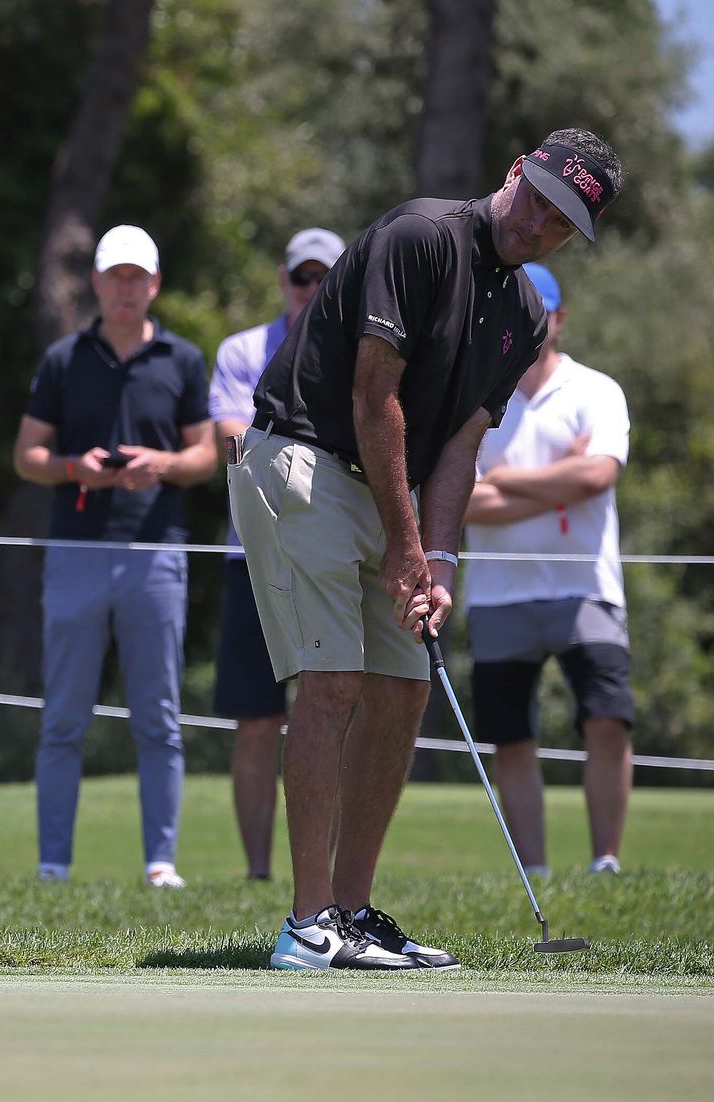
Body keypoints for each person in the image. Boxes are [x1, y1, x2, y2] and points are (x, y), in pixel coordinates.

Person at [226, 128, 623, 970]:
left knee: (404, 690)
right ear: (515, 171)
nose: (539, 227)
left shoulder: (521, 314)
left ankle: (353, 910)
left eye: (561, 226)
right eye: (539, 201)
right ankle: (304, 929)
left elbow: (462, 447)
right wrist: (409, 544)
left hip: (390, 488)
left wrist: (437, 563)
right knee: (331, 683)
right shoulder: (419, 236)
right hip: (302, 458)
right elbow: (377, 401)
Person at [12, 224, 215, 889]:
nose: (127, 287)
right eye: (115, 276)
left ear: (154, 284)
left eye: (138, 277)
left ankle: (161, 862)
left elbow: (205, 455)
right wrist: (78, 469)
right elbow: (28, 457)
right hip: (75, 550)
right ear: (97, 282)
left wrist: (162, 464)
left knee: (157, 716)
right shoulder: (64, 360)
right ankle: (52, 864)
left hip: (156, 551)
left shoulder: (183, 360)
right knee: (63, 717)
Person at [463, 262, 633, 878]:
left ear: (559, 319)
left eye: (542, 310)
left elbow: (598, 475)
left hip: (586, 588)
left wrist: (504, 480)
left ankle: (605, 862)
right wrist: (557, 484)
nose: (532, 321)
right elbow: (459, 500)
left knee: (607, 719)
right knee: (511, 737)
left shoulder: (597, 390)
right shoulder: (476, 394)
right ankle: (532, 870)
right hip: (497, 594)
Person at [209, 227, 344, 880]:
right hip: (254, 555)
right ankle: (259, 871)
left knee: (333, 712)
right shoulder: (242, 350)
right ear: (286, 281)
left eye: (326, 278)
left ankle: (324, 873)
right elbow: (231, 446)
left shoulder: (361, 349)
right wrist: (295, 467)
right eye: (303, 278)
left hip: (332, 556)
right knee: (258, 722)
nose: (312, 290)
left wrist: (274, 457)